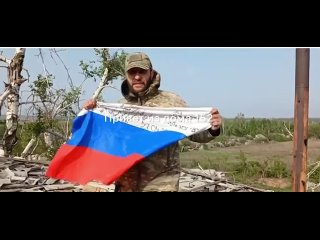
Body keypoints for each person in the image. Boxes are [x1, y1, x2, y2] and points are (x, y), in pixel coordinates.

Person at [84, 52, 222, 192]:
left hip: (161, 185)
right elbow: (105, 141)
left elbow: (196, 134)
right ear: (126, 75)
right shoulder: (120, 108)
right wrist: (91, 116)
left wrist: (213, 128)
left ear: (151, 73)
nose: (137, 77)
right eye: (132, 72)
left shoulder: (171, 102)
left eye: (142, 71)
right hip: (126, 185)